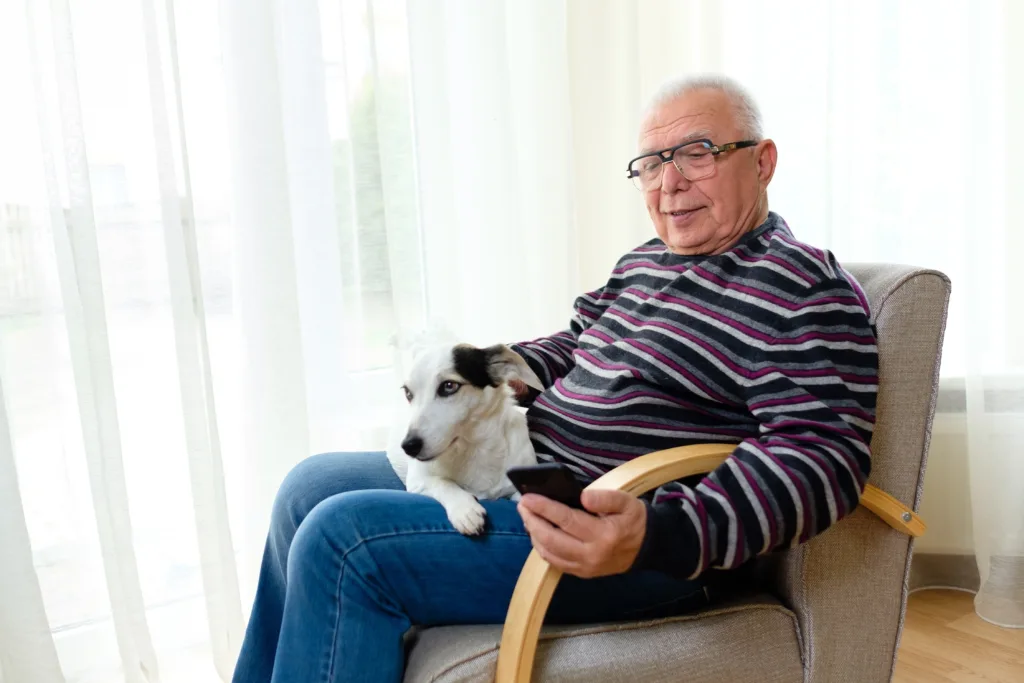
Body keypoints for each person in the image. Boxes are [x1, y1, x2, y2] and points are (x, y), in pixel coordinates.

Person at [231, 75, 878, 683]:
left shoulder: (800, 286)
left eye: (698, 153)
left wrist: (658, 532)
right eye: (651, 164)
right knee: (306, 487)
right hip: (525, 472)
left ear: (761, 161)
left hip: (623, 538)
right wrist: (497, 370)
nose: (669, 183)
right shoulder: (647, 262)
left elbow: (822, 456)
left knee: (343, 541)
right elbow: (577, 341)